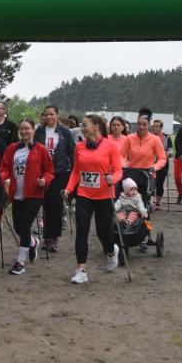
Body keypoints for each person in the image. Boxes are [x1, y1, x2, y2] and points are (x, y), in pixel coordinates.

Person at [62, 114, 123, 285]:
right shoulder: (79, 147)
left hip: (104, 195)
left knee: (103, 232)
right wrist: (68, 189)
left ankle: (111, 252)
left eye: (85, 125)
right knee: (82, 230)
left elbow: (118, 170)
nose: (82, 128)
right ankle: (81, 270)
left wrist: (114, 178)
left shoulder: (110, 146)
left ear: (96, 126)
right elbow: (76, 172)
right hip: (84, 194)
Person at [0, 117, 54, 275]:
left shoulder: (41, 150)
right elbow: (4, 167)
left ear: (33, 130)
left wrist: (46, 180)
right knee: (18, 226)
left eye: (27, 128)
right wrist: (0, 178)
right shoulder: (12, 149)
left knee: (24, 225)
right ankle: (32, 242)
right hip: (16, 192)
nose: (23, 132)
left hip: (34, 193)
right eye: (21, 129)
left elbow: (49, 171)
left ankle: (20, 261)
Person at [34, 104, 75, 252]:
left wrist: (74, 172)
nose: (49, 117)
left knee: (56, 204)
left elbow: (71, 151)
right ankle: (46, 236)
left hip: (60, 171)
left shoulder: (65, 132)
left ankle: (54, 237)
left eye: (52, 114)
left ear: (57, 115)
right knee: (45, 204)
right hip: (43, 171)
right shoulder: (39, 131)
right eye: (46, 114)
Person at [119, 114, 167, 208]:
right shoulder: (130, 138)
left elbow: (162, 158)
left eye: (144, 125)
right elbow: (121, 154)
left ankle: (144, 221)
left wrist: (155, 167)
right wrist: (123, 164)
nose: (141, 127)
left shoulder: (155, 139)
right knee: (129, 203)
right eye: (139, 124)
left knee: (144, 203)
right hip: (132, 173)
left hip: (147, 175)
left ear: (149, 125)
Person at [151, 119, 174, 209]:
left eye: (157, 126)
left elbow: (171, 151)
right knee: (152, 182)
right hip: (151, 163)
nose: (155, 128)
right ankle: (150, 201)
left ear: (161, 128)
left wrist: (167, 153)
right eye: (154, 126)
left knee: (160, 183)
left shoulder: (166, 138)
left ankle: (158, 201)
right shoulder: (150, 136)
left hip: (163, 163)